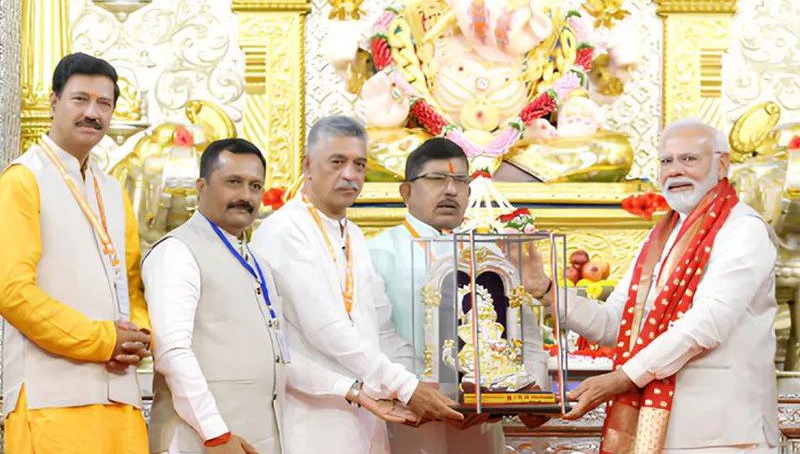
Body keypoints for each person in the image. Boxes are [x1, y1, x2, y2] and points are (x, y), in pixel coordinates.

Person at [517, 118, 779, 453]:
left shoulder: (742, 229)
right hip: (659, 430)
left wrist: (622, 378)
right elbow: (615, 324)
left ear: (722, 165)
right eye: (666, 161)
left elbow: (707, 323)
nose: (675, 170)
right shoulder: (660, 237)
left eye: (689, 159)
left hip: (724, 436)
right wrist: (545, 290)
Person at [252, 115, 463, 454]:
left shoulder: (353, 234)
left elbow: (382, 328)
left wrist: (433, 385)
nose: (350, 175)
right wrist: (406, 387)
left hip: (368, 415)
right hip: (313, 418)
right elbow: (325, 328)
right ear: (308, 166)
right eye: (337, 162)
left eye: (359, 165)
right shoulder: (284, 232)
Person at [0, 52, 151, 454]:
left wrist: (138, 335)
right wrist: (103, 340)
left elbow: (131, 283)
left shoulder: (112, 190)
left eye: (104, 103)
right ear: (54, 102)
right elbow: (12, 292)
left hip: (120, 398)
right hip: (51, 399)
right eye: (80, 99)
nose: (92, 113)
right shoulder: (23, 179)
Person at [369, 138, 550, 453]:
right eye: (437, 179)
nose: (451, 190)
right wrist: (418, 392)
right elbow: (375, 337)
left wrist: (530, 394)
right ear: (406, 191)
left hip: (482, 423)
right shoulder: (378, 252)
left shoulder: (489, 251)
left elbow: (526, 335)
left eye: (460, 181)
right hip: (409, 418)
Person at [143, 138, 286, 454]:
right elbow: (173, 352)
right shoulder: (177, 251)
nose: (245, 196)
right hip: (200, 441)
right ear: (201, 186)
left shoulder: (258, 261)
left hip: (256, 437)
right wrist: (216, 434)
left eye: (255, 186)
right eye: (233, 182)